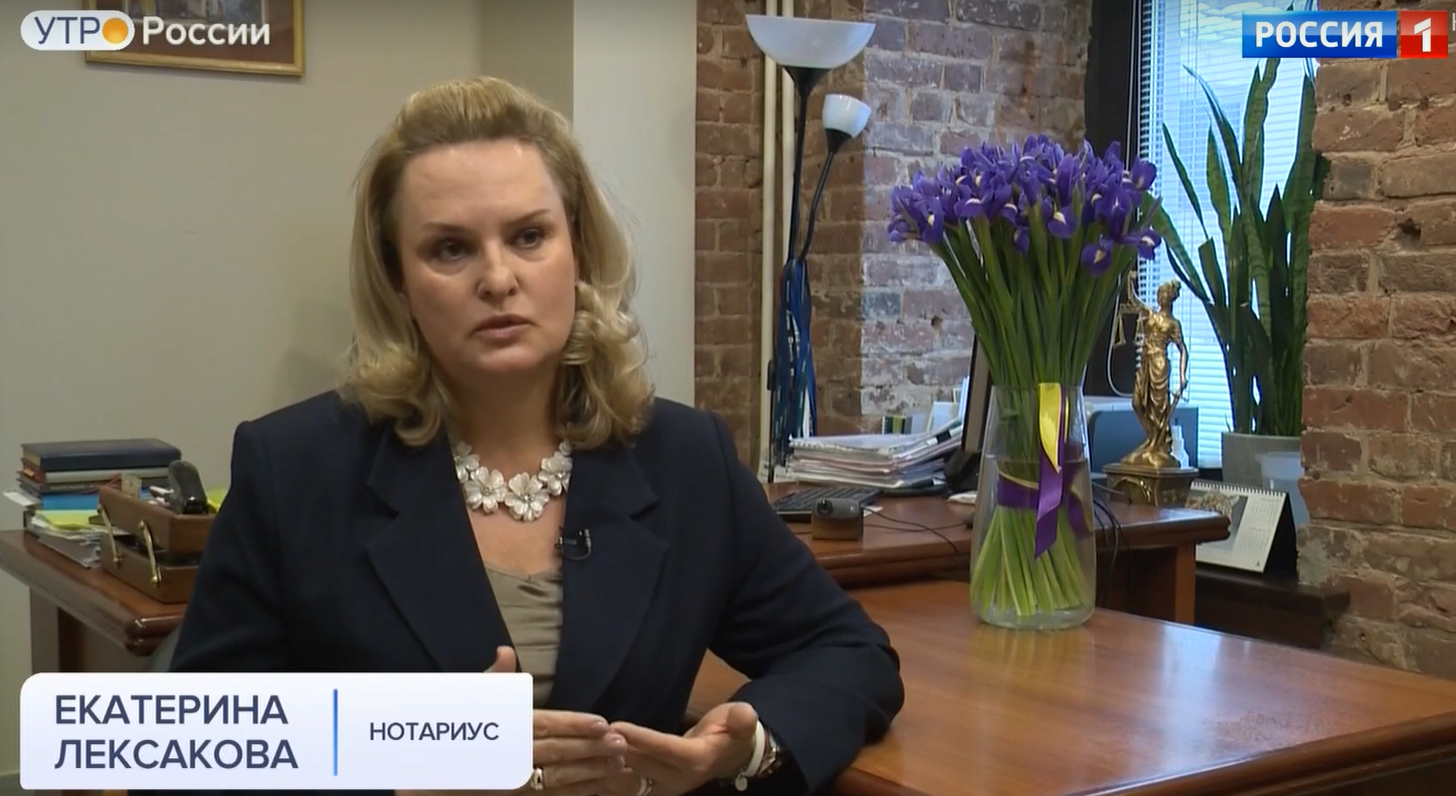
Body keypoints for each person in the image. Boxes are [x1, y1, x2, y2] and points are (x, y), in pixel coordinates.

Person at [152, 76, 904, 796]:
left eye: (529, 236)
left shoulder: (684, 460)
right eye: (450, 249)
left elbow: (849, 652)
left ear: (577, 251)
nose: (498, 277)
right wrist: (404, 781)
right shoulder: (293, 470)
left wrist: (747, 746)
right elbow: (186, 752)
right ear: (398, 280)